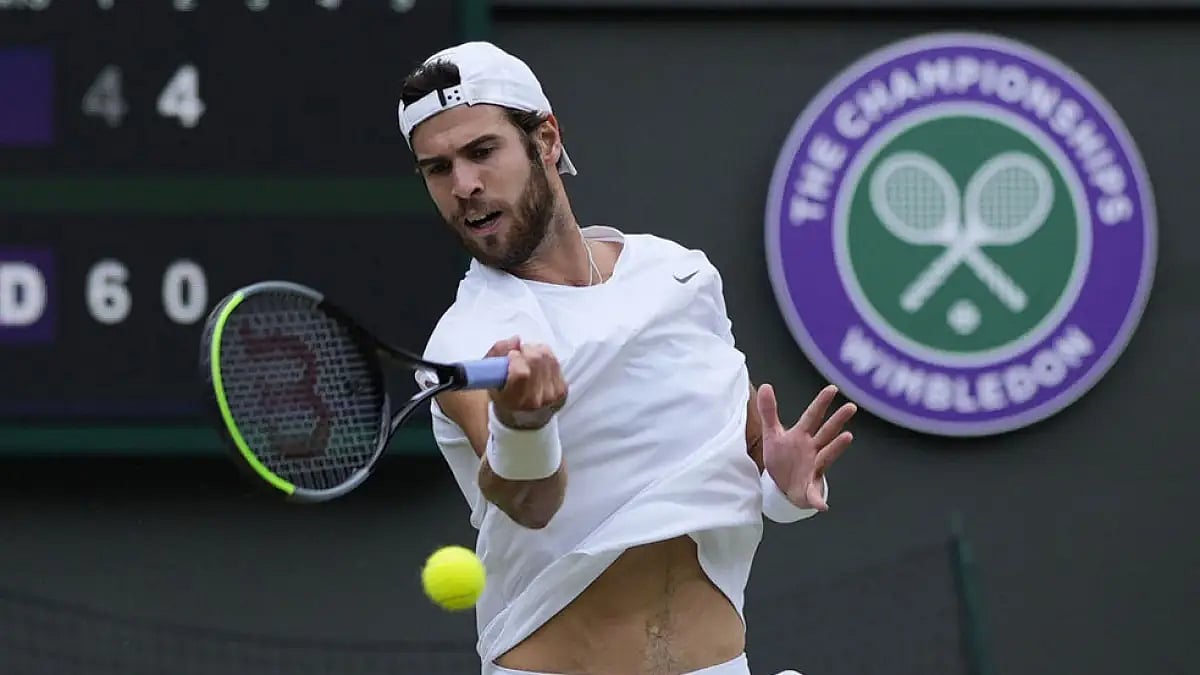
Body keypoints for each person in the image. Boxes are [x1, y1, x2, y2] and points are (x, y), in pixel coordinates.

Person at [399, 41, 857, 675]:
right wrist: (524, 424)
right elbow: (530, 503)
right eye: (436, 169)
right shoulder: (467, 340)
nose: (465, 186)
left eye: (482, 152)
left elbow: (748, 455)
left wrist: (780, 482)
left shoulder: (679, 276)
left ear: (547, 139)